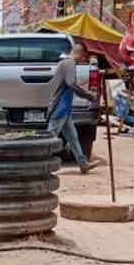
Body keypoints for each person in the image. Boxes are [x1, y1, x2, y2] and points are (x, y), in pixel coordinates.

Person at [48, 42, 98, 174]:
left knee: (73, 137)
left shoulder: (64, 63)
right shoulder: (69, 63)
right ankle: (38, 165)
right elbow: (71, 83)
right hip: (60, 107)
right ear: (81, 54)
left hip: (65, 108)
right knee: (49, 138)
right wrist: (89, 96)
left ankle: (83, 164)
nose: (84, 60)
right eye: (84, 57)